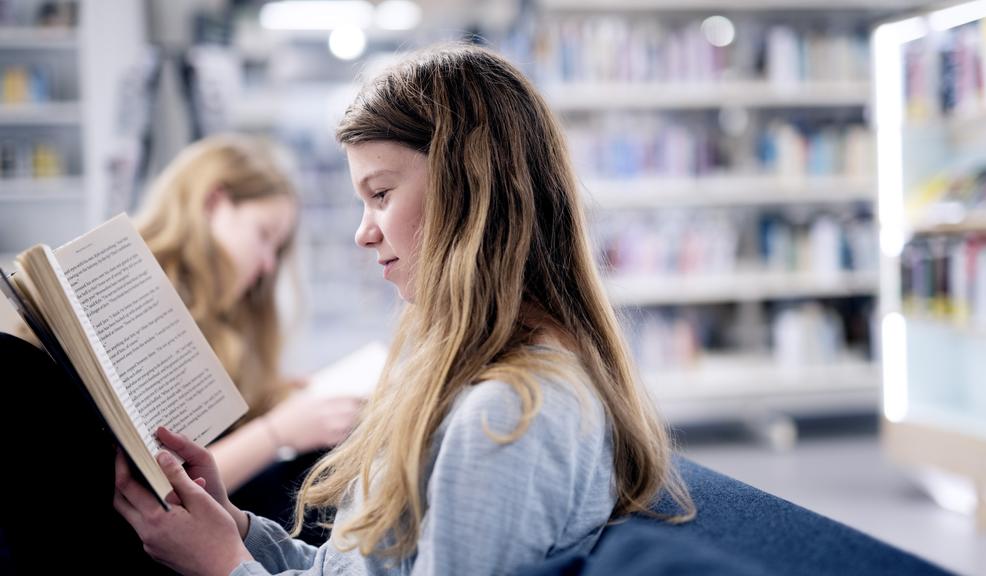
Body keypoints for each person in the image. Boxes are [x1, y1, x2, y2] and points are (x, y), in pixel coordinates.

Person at [112, 44, 695, 576]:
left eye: (381, 195)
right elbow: (350, 569)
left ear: (466, 189)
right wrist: (237, 532)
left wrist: (224, 567)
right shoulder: (462, 375)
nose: (363, 233)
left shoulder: (505, 418)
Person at [134, 135, 364, 536]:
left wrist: (276, 398)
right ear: (213, 204)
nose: (268, 265)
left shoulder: (221, 317)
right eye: (263, 235)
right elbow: (162, 487)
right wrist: (278, 430)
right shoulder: (144, 309)